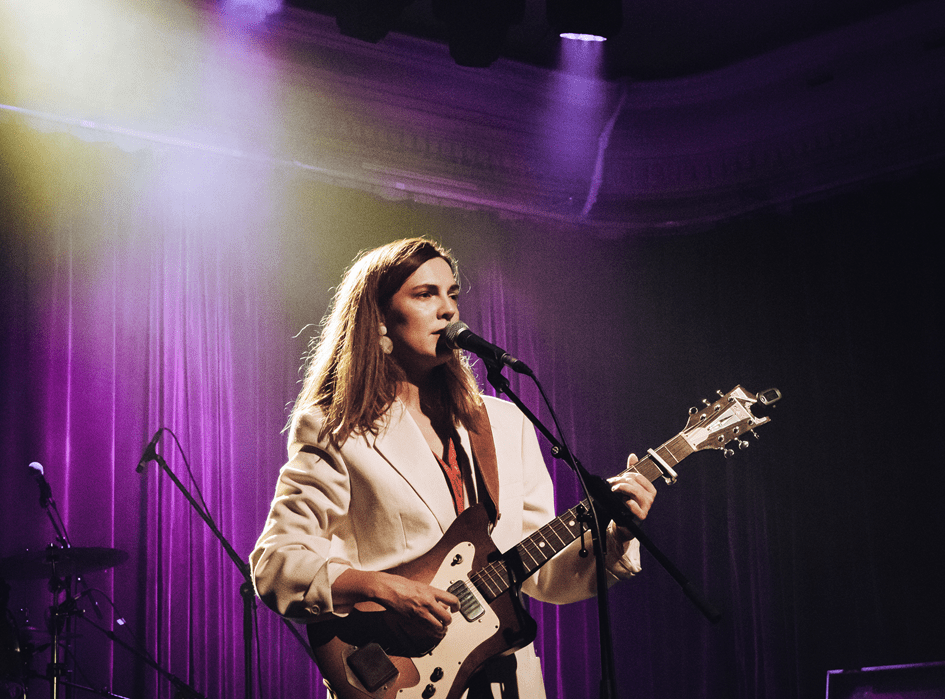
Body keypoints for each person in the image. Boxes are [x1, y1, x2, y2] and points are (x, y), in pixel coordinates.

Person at [250, 238, 656, 698]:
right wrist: (384, 588)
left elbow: (541, 573)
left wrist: (613, 535)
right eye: (425, 294)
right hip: (405, 678)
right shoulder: (336, 428)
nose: (448, 310)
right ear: (379, 318)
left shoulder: (504, 423)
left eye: (453, 294)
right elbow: (277, 565)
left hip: (511, 683)